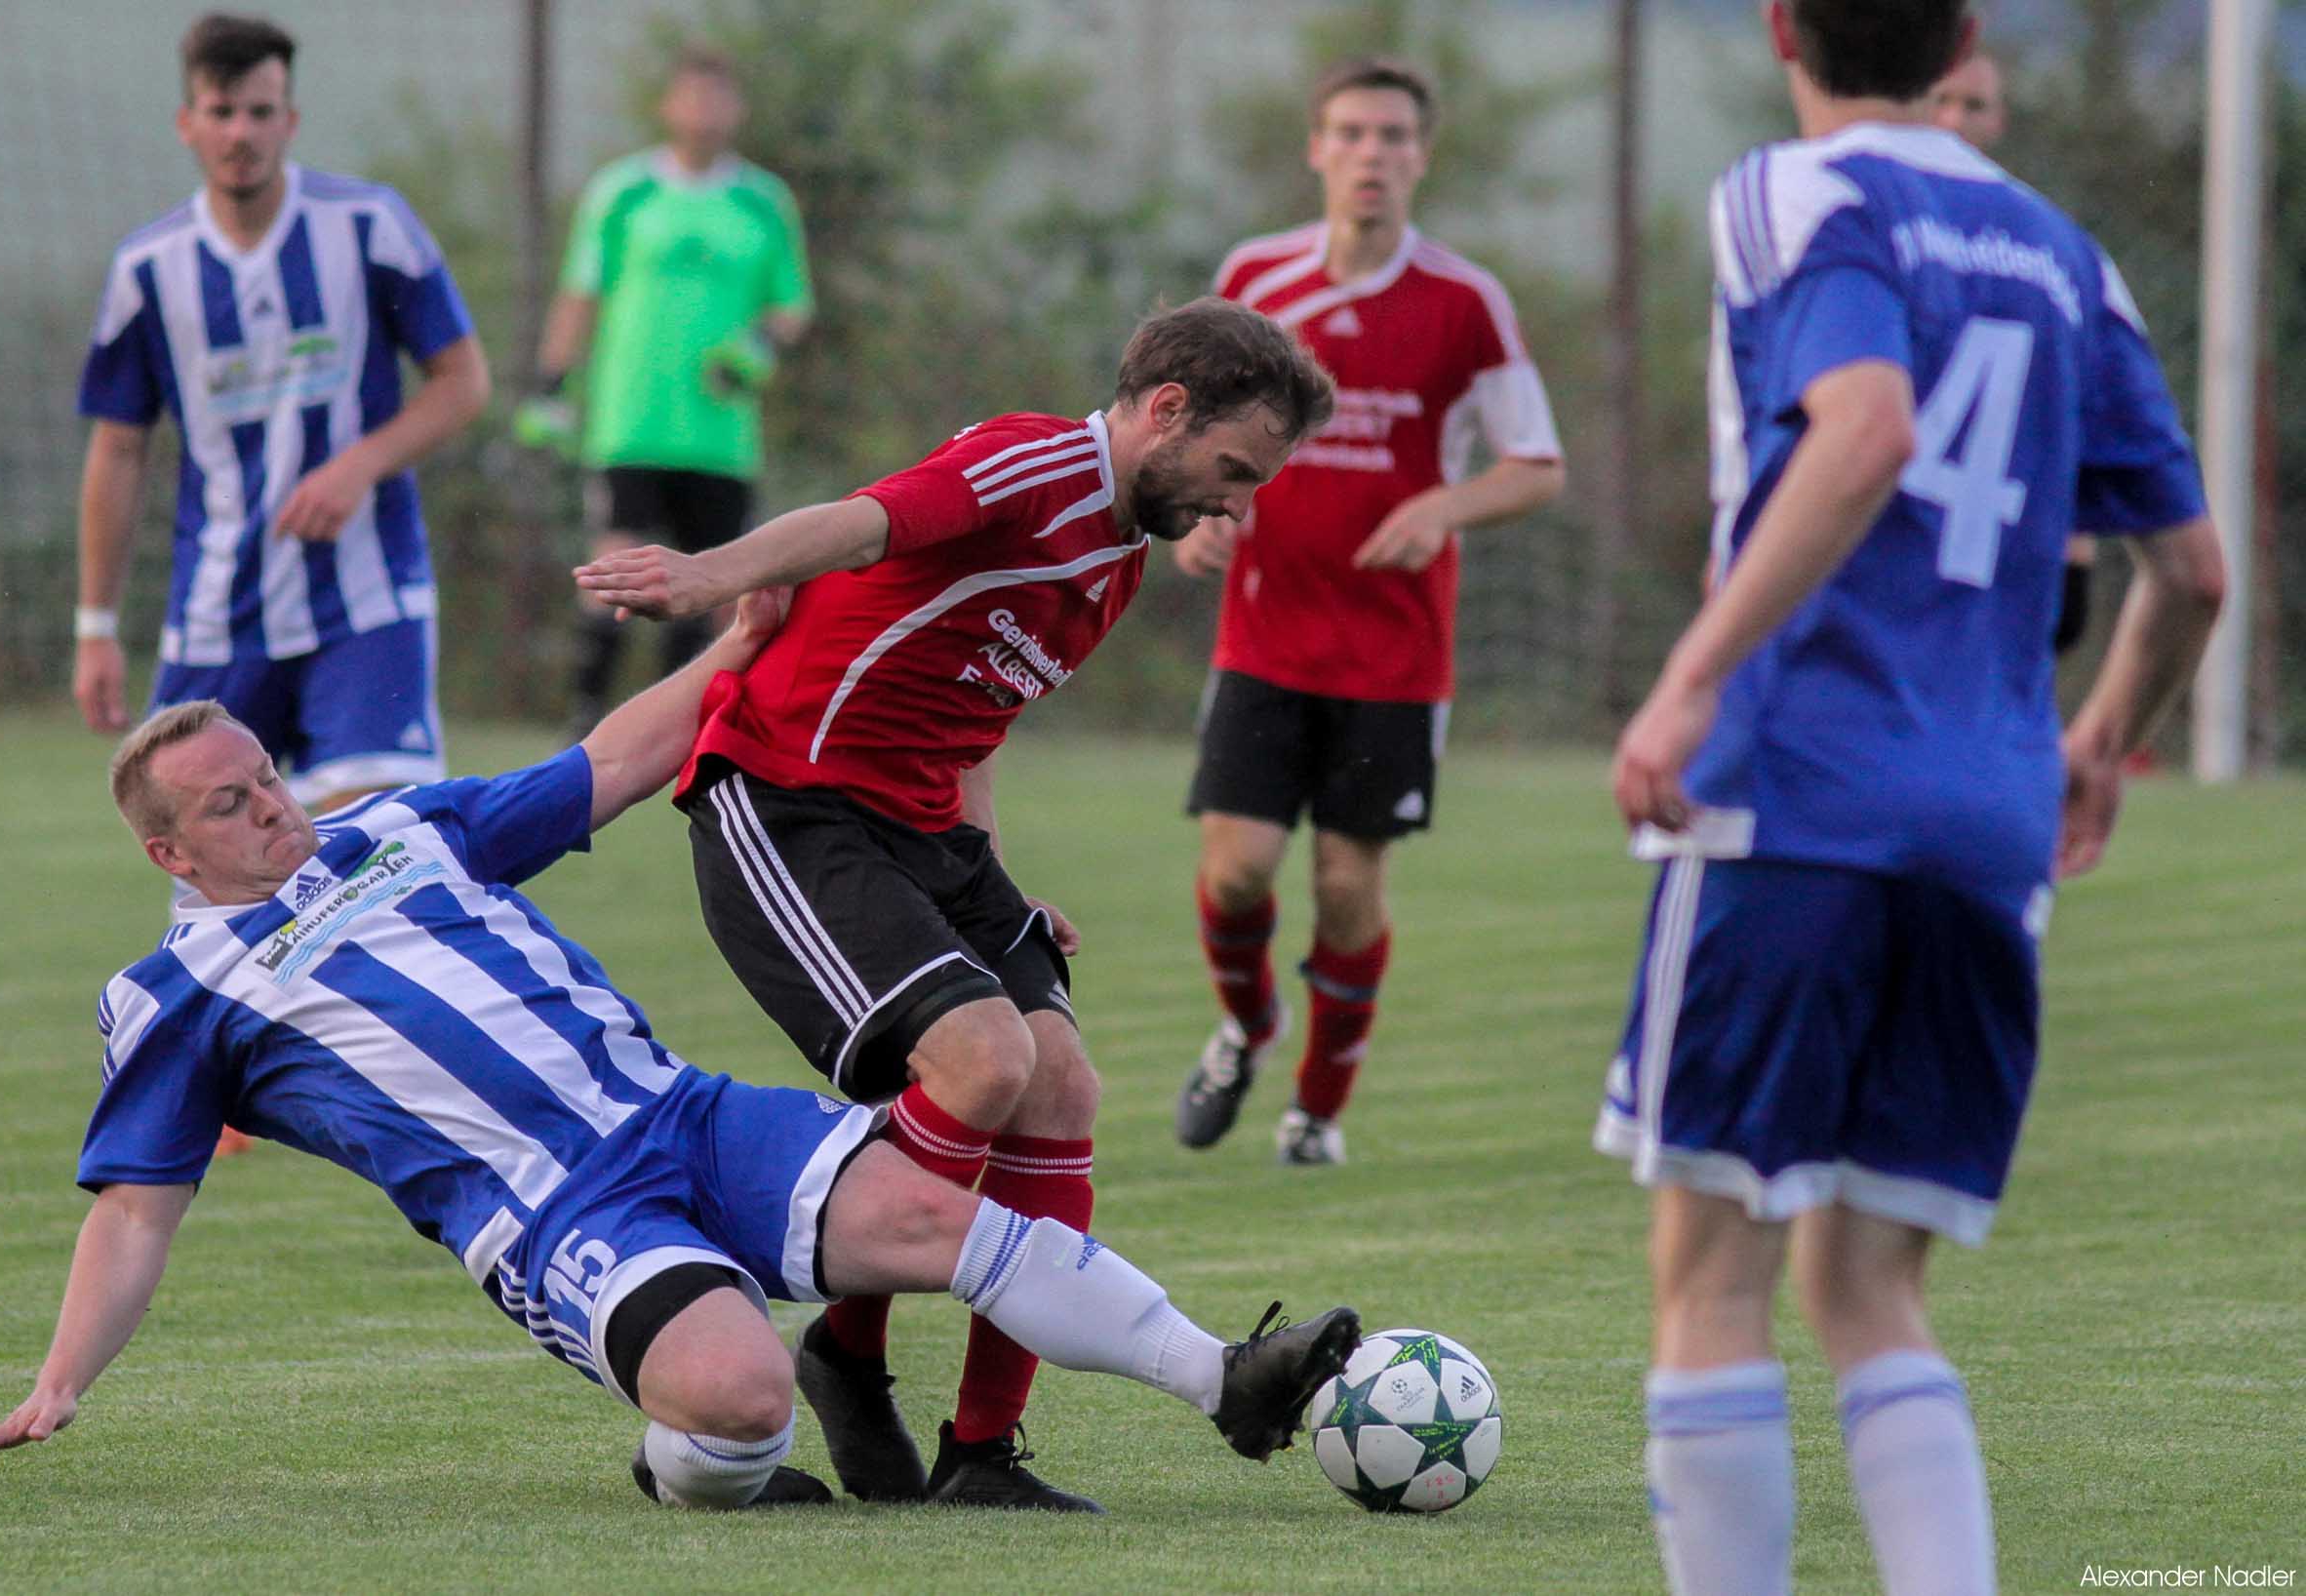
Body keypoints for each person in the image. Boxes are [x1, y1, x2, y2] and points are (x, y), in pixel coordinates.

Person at [0, 597, 1365, 1512]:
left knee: (945, 1213)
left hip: (680, 1114)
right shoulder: (176, 994)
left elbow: (611, 762)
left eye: (268, 779)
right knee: (740, 1407)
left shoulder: (397, 830)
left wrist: (737, 647)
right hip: (558, 1213)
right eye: (230, 807)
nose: (273, 809)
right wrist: (64, 1380)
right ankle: (692, 1460)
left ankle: (1225, 1380)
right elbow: (136, 1208)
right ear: (165, 849)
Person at [1599, 4, 2223, 1592]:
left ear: (1782, 28)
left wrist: (1691, 677)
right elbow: (2194, 571)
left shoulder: (1798, 195)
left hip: (1793, 793)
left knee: (1713, 1276)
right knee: (1873, 1285)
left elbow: (1865, 427)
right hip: (1990, 823)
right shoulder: (2073, 256)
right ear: (1957, 36)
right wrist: (2100, 741)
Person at [576, 298, 1337, 1510]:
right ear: (1166, 412)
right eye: (1234, 471)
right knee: (980, 1063)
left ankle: (980, 1450)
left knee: (1060, 1082)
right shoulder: (1035, 461)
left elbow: (970, 720)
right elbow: (859, 524)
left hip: (930, 836)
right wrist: (708, 573)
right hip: (791, 800)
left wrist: (996, 884)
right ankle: (848, 1345)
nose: (1236, 507)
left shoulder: (1118, 565)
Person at [1171, 58, 1567, 1170]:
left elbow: (1537, 465)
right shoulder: (1255, 279)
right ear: (1316, 149)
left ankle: (1316, 1110)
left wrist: (1445, 500)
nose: (1370, 154)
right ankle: (1250, 1027)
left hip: (1394, 654)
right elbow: (1187, 438)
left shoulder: (1464, 302)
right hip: (1265, 634)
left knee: (1347, 883)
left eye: (1393, 136)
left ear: (1420, 156)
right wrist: (1197, 513)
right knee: (1236, 869)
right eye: (1349, 133)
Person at [71, 13, 489, 811]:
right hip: (217, 614)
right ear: (187, 124)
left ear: (290, 121)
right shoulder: (148, 272)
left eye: (262, 112)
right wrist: (95, 625)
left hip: (366, 601)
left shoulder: (368, 227)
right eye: (222, 112)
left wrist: (358, 465)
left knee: (373, 844)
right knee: (218, 879)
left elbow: (463, 381)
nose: (242, 133)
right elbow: (118, 451)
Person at [520, 46, 815, 738]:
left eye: (718, 97)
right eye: (692, 96)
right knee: (617, 560)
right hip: (629, 423)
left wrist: (753, 349)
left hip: (719, 436)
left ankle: (679, 724)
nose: (704, 110)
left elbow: (793, 307)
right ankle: (587, 717)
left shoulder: (763, 203)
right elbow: (580, 294)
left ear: (735, 109)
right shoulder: (623, 193)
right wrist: (551, 385)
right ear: (669, 107)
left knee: (711, 583)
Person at [1925, 43, 2102, 656]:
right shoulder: (1881, 229)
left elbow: (2065, 396)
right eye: (1941, 100)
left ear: (1997, 121)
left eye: (1973, 105)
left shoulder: (2040, 249)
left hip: (1997, 524)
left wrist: (2074, 545)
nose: (1954, 120)